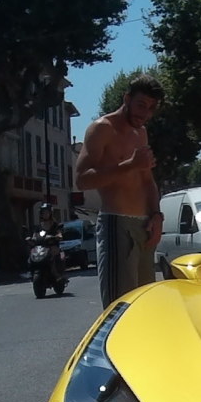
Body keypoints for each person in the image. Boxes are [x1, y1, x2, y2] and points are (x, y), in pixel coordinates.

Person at [75, 74, 165, 308]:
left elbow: (147, 180)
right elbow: (82, 180)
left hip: (144, 226)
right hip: (116, 224)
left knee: (145, 306)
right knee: (120, 307)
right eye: (141, 105)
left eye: (151, 108)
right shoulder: (101, 129)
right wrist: (130, 165)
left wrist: (157, 216)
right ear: (126, 98)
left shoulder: (140, 133)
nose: (145, 113)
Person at [31, 202, 66, 287]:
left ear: (50, 213)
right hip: (41, 248)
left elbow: (59, 234)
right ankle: (31, 271)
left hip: (52, 247)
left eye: (47, 212)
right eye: (43, 212)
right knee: (31, 255)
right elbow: (34, 235)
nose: (45, 214)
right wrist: (31, 239)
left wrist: (57, 236)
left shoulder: (55, 225)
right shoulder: (39, 226)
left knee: (52, 256)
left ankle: (57, 275)